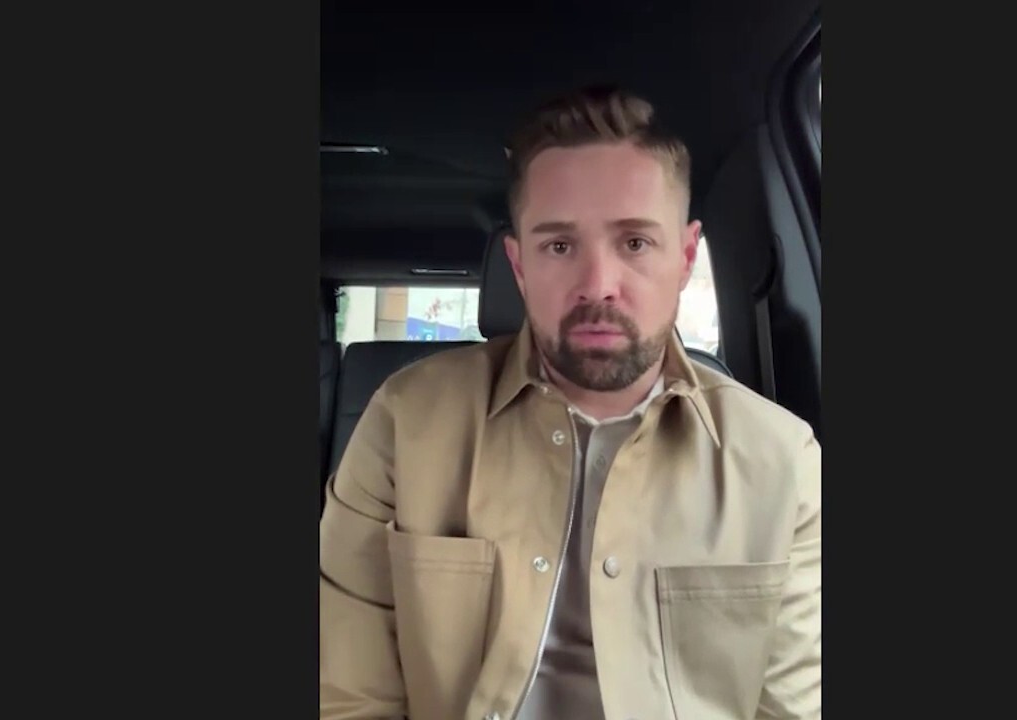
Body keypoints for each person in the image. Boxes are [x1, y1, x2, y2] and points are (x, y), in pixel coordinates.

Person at [319, 86, 821, 720]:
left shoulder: (783, 460)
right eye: (559, 246)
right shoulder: (404, 421)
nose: (598, 285)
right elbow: (349, 696)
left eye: (635, 243)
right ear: (519, 265)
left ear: (686, 257)